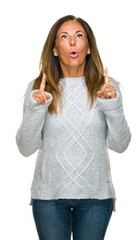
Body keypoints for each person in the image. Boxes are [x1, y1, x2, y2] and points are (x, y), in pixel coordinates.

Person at [16, 15, 131, 240]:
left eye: (79, 36)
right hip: (48, 198)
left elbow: (120, 145)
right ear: (55, 49)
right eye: (64, 37)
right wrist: (36, 108)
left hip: (96, 198)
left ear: (88, 47)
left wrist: (113, 106)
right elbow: (25, 148)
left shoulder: (107, 88)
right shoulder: (39, 89)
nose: (72, 42)